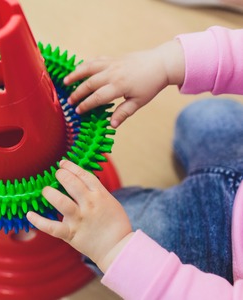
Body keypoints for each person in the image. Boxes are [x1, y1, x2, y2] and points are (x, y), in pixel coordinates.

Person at [26, 25, 243, 299]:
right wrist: (166, 62)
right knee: (205, 115)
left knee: (119, 216)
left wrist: (113, 246)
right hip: (237, 161)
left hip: (221, 245)